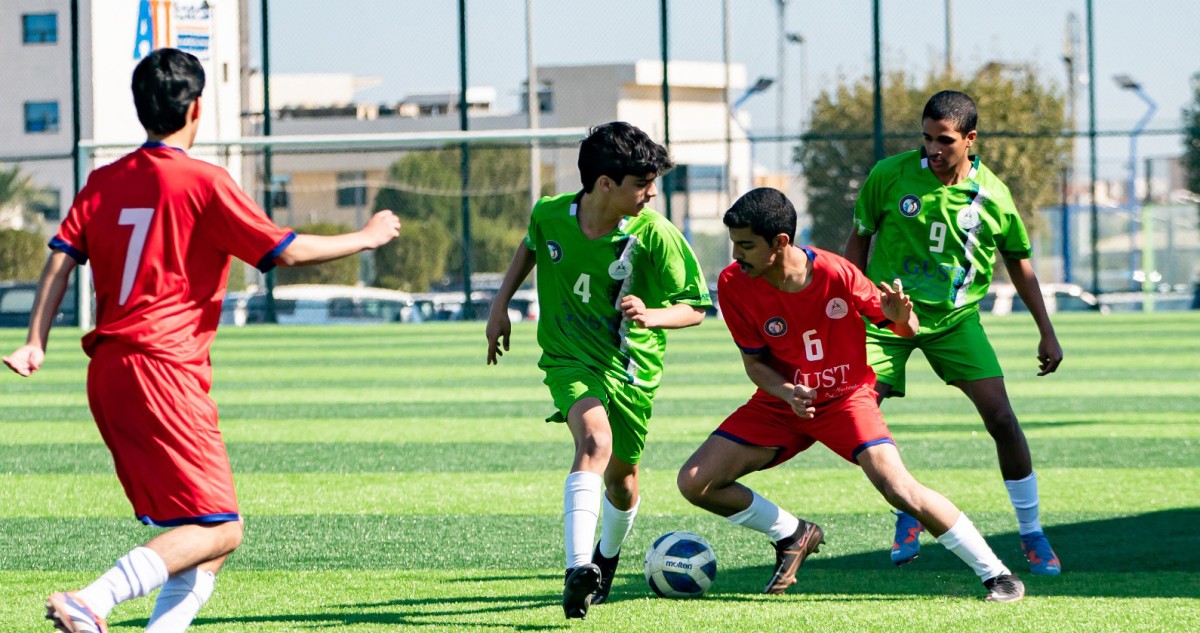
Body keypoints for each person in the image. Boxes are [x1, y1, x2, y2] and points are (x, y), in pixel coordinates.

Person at [3, 48, 400, 633]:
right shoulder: (204, 182)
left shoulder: (104, 181)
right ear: (196, 108)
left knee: (206, 536)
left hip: (109, 371)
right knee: (223, 527)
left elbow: (61, 259)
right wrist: (364, 236)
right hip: (163, 368)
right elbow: (284, 250)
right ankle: (95, 598)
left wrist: (36, 340)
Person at [678, 187, 1026, 603]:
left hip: (846, 399)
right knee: (695, 483)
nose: (737, 255)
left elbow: (905, 327)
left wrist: (902, 316)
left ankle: (998, 575)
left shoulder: (836, 273)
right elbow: (755, 364)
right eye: (735, 244)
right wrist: (788, 391)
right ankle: (792, 532)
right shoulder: (734, 283)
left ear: (781, 242)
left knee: (899, 487)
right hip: (781, 404)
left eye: (746, 245)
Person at [486, 122, 710, 619]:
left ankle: (605, 559)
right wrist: (500, 305)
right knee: (593, 442)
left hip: (632, 369)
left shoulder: (656, 234)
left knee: (623, 480)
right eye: (641, 184)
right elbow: (530, 243)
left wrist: (653, 316)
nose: (651, 193)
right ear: (604, 183)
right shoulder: (551, 214)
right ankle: (576, 569)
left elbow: (695, 306)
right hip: (570, 358)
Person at [844, 90, 1063, 574]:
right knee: (860, 415)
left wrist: (1046, 331)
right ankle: (908, 507)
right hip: (886, 317)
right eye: (926, 139)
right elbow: (857, 240)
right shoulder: (889, 175)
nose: (933, 150)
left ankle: (1032, 535)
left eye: (944, 140)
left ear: (970, 139)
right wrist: (851, 307)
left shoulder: (994, 196)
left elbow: (1019, 264)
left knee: (1002, 420)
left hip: (955, 320)